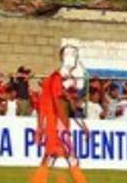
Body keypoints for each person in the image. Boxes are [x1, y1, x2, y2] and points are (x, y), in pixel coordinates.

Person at [30, 46, 89, 183]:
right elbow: (60, 104)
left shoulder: (56, 80)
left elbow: (46, 104)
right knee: (70, 157)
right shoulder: (57, 79)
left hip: (55, 123)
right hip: (58, 124)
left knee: (51, 156)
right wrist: (71, 126)